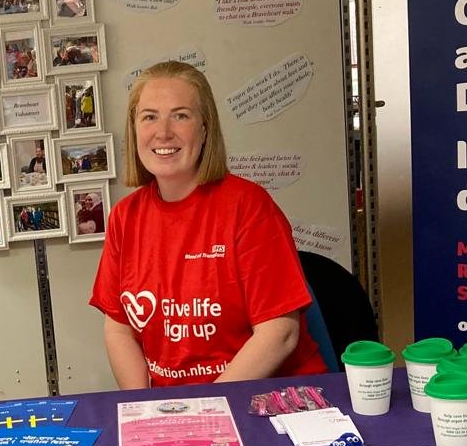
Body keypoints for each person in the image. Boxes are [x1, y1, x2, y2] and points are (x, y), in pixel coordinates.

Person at [90, 61, 325, 389]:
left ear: (204, 127)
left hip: (267, 399)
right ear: (134, 129)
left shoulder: (248, 206)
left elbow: (280, 333)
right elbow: (118, 329)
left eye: (181, 115)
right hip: (177, 411)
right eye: (149, 117)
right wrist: (141, 407)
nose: (163, 132)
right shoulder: (124, 217)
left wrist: (206, 410)